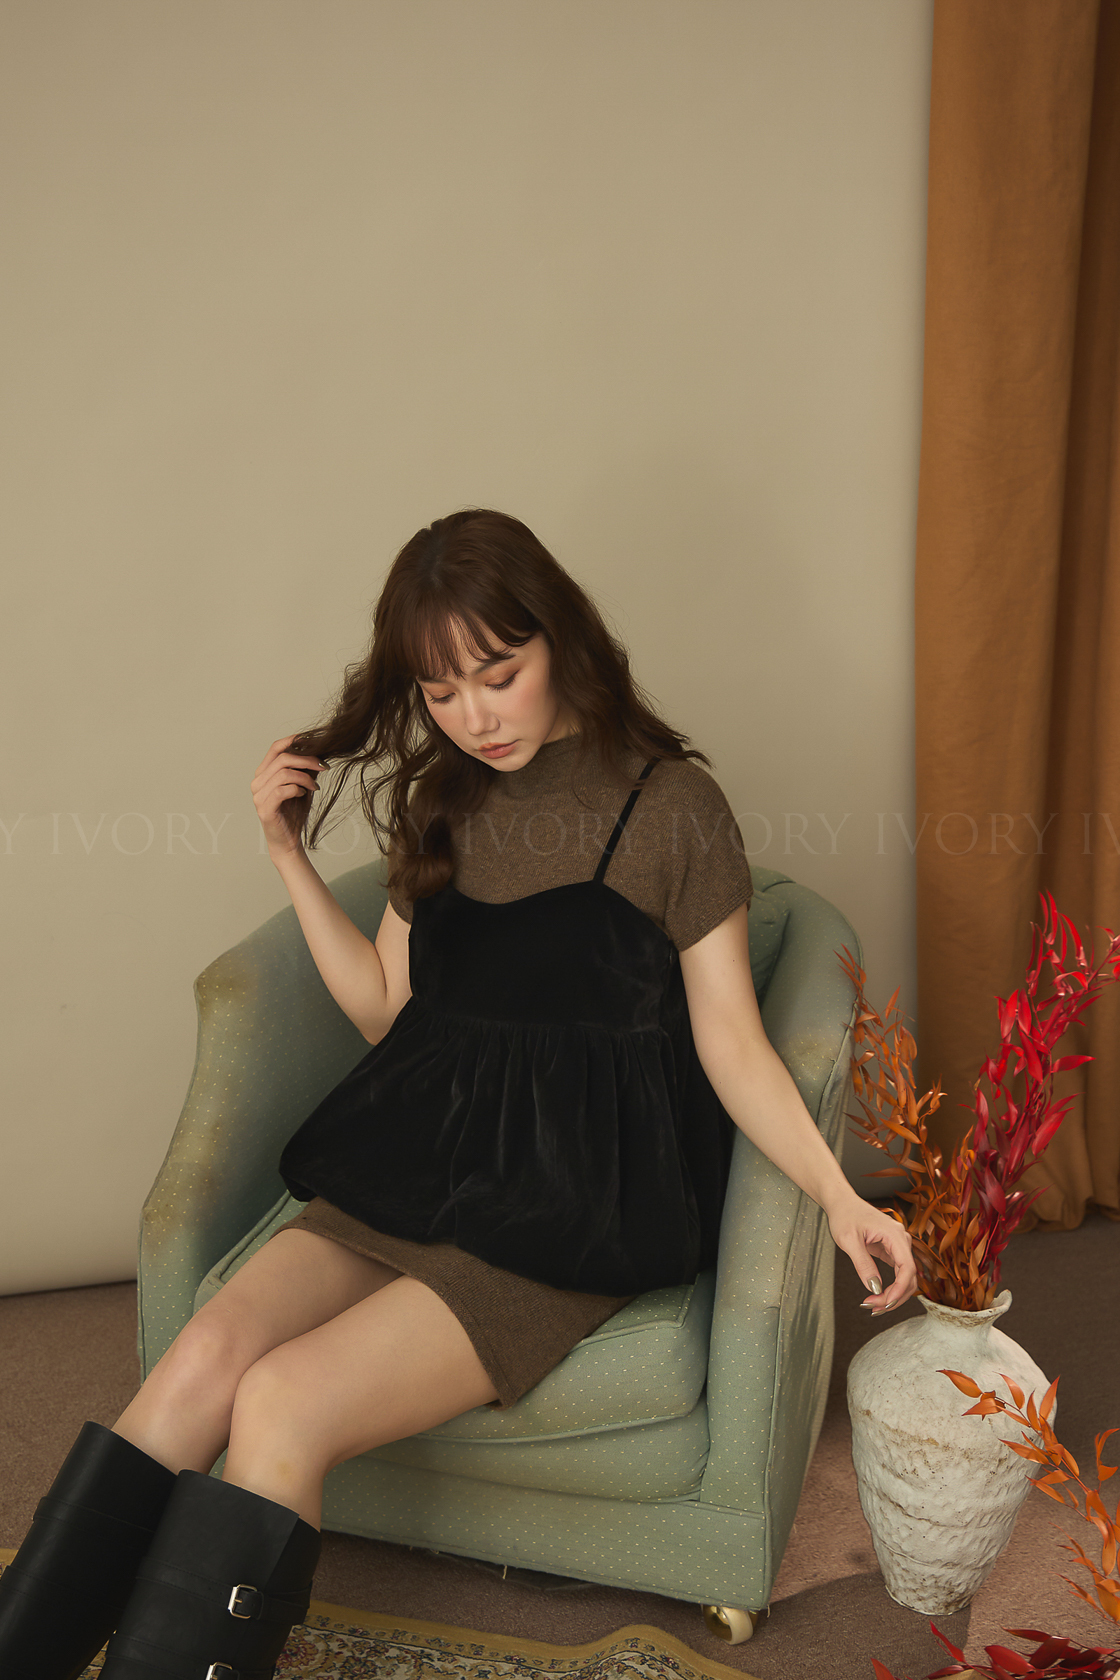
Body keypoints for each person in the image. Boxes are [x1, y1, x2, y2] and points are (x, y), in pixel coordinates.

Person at [0, 509, 916, 1679]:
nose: (476, 716)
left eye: (499, 674)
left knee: (283, 1403)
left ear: (560, 640)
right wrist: (286, 853)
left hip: (565, 1207)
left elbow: (732, 1042)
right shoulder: (446, 799)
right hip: (419, 1157)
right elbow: (388, 1009)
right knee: (203, 1350)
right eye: (441, 693)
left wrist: (839, 1197)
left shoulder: (672, 808)